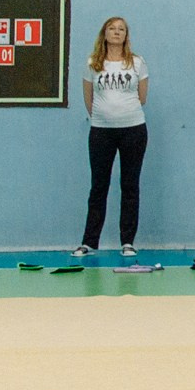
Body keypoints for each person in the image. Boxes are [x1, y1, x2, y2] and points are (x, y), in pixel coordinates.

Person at [75, 16, 150, 259]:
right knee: (98, 186)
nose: (117, 33)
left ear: (126, 36)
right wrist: (103, 117)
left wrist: (122, 114)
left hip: (133, 130)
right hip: (101, 132)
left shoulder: (137, 63)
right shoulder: (92, 63)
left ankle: (127, 241)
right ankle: (89, 242)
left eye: (121, 30)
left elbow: (142, 98)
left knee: (130, 186)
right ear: (104, 34)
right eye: (112, 28)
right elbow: (89, 99)